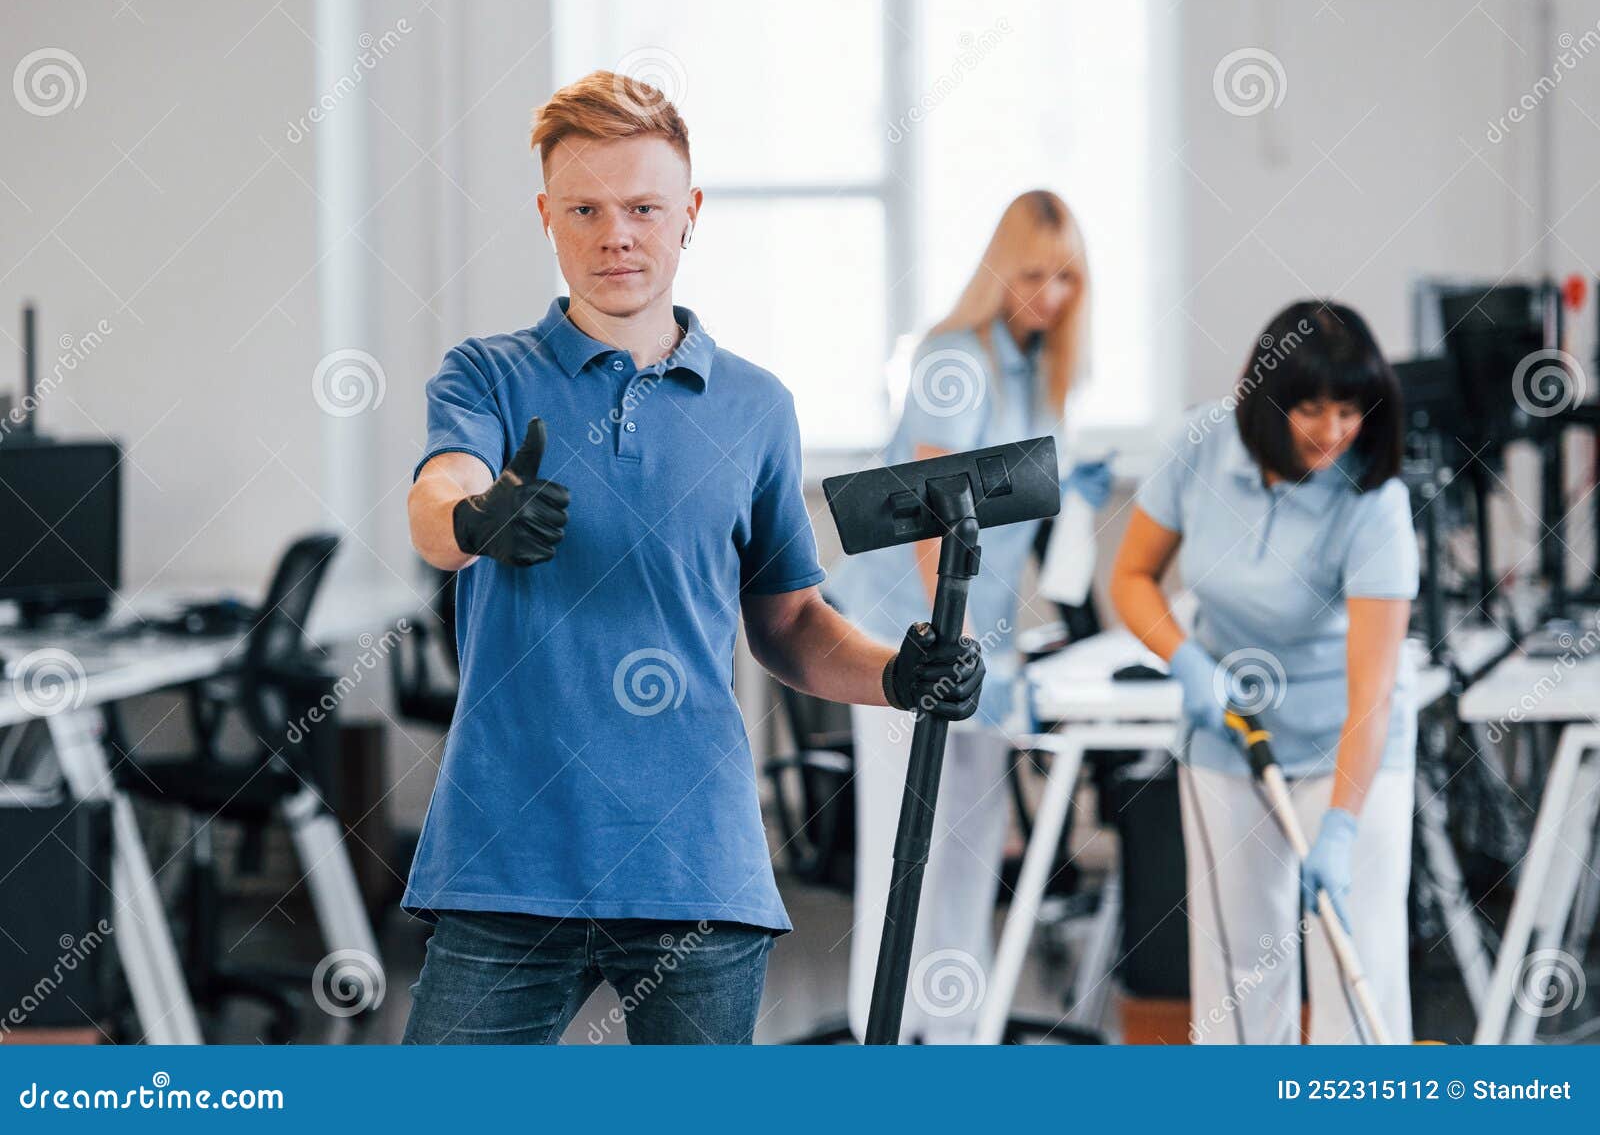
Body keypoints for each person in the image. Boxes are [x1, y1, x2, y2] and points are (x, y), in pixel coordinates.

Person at [400, 70, 986, 1045]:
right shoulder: (488, 375)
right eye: (583, 208)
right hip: (507, 855)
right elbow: (434, 499)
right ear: (546, 214)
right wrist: (474, 521)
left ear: (689, 214)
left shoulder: (755, 406)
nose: (614, 234)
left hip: (696, 863)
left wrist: (899, 672)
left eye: (641, 207)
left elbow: (789, 624)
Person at [827, 190, 1108, 1043]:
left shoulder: (1038, 365)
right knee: (904, 846)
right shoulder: (957, 356)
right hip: (903, 632)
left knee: (971, 844)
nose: (1051, 296)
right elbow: (935, 515)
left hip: (980, 637)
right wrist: (941, 650)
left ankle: (954, 1032)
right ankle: (882, 1033)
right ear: (999, 270)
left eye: (1066, 279)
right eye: (1033, 275)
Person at [1109, 300, 1419, 1044]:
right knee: (1240, 974)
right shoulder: (1202, 443)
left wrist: (1342, 825)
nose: (1333, 429)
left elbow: (1372, 695)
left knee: (1360, 963)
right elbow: (1132, 577)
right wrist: (1183, 657)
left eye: (1349, 408)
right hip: (1230, 737)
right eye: (1311, 407)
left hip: (1350, 744)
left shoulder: (1375, 501)